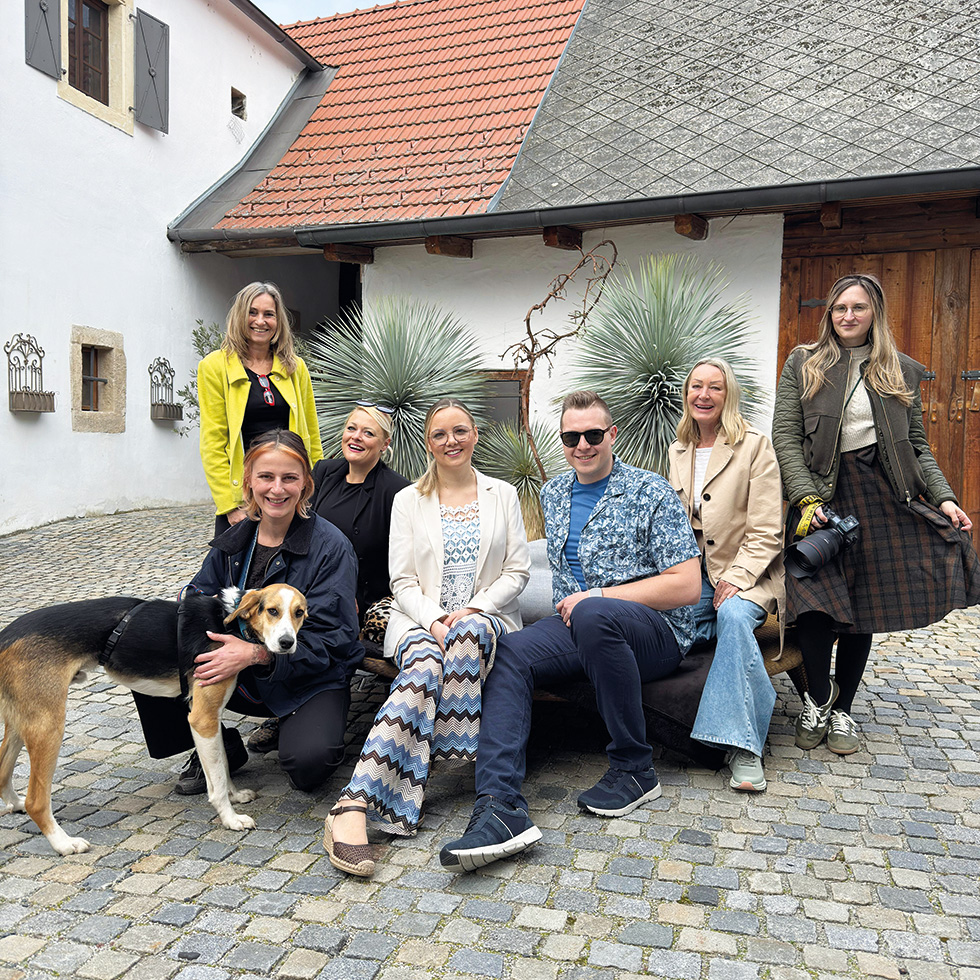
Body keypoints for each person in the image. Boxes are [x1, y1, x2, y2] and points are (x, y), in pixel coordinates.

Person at [439, 390, 701, 872]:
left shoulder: (650, 491)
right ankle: (499, 807)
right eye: (571, 436)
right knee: (509, 653)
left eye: (593, 435)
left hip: (654, 634)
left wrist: (598, 598)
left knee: (590, 614)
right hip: (580, 626)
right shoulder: (555, 493)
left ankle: (634, 766)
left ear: (612, 435)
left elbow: (686, 586)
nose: (582, 444)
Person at [772, 273, 980, 755]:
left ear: (875, 314)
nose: (848, 316)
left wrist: (945, 496)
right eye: (840, 307)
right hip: (821, 495)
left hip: (882, 497)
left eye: (858, 308)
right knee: (815, 599)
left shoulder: (901, 370)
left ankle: (843, 711)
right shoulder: (803, 363)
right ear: (829, 313)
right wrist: (807, 499)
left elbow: (918, 446)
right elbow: (785, 436)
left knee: (863, 606)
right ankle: (819, 698)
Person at [324, 398, 530, 877]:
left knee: (470, 631)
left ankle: (397, 776)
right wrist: (436, 620)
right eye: (440, 434)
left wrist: (472, 609)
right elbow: (402, 581)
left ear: (475, 434)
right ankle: (354, 805)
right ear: (426, 442)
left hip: (489, 615)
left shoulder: (503, 494)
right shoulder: (408, 500)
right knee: (424, 666)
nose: (451, 441)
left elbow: (517, 570)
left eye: (460, 431)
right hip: (418, 618)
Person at [131, 430, 362, 794]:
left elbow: (337, 639)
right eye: (266, 477)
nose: (277, 489)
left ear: (305, 484)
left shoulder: (331, 547)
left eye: (289, 478)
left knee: (308, 766)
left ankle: (297, 724)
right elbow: (196, 596)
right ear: (249, 481)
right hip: (238, 676)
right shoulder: (235, 539)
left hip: (310, 677)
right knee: (149, 648)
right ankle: (217, 743)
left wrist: (256, 654)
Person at [247, 403, 410, 755]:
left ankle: (312, 703)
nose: (356, 437)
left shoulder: (397, 490)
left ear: (385, 443)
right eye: (352, 428)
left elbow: (402, 556)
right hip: (311, 583)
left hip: (369, 594)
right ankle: (283, 706)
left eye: (369, 433)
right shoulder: (324, 472)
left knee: (328, 627)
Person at [669, 359, 784, 793]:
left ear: (728, 395)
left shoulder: (754, 445)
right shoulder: (677, 449)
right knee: (657, 619)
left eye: (714, 387)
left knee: (733, 618)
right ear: (686, 394)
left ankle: (743, 748)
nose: (703, 395)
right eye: (696, 386)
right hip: (693, 574)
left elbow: (768, 528)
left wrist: (736, 576)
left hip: (750, 570)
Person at [198, 282, 323, 535]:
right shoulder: (214, 367)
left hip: (288, 492)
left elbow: (311, 435)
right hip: (245, 494)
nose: (260, 321)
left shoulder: (295, 368)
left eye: (269, 314)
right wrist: (230, 505)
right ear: (240, 316)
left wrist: (314, 490)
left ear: (279, 321)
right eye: (252, 313)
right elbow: (213, 441)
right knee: (239, 571)